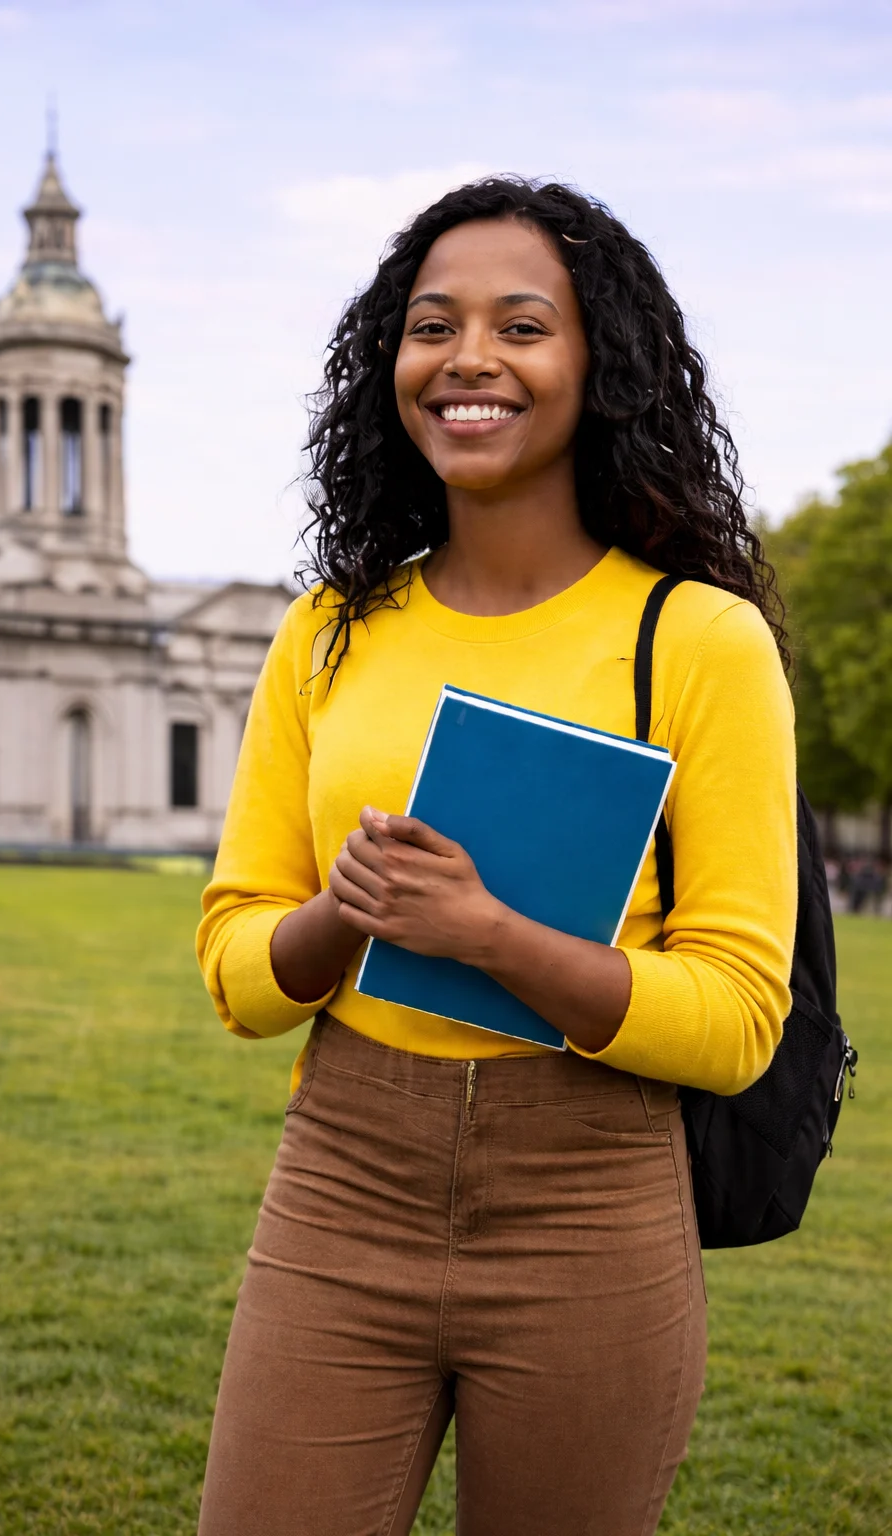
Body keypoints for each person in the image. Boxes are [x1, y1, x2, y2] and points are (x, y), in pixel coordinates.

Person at [194, 178, 797, 1536]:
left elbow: (741, 1019)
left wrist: (491, 935)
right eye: (431, 325)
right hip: (342, 1180)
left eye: (522, 326)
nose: (468, 359)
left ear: (602, 366)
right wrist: (344, 916)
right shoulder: (330, 632)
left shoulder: (700, 641)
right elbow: (238, 969)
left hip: (591, 1206)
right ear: (388, 369)